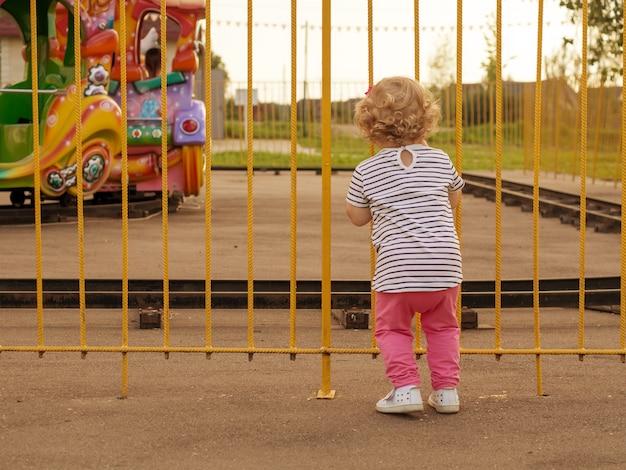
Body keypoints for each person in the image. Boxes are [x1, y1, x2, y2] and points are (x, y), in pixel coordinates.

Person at [345, 76, 464, 415]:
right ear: (426, 118)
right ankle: (446, 392)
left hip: (397, 271)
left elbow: (356, 216)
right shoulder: (441, 160)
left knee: (393, 329)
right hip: (444, 267)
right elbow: (453, 198)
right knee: (443, 327)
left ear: (369, 123)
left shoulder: (366, 170)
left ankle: (406, 387)